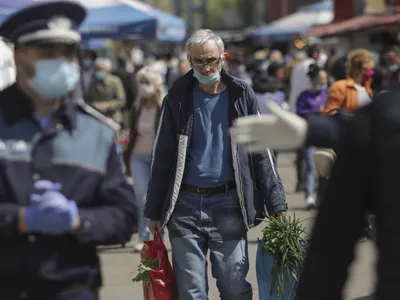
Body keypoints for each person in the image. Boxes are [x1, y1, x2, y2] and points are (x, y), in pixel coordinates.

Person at [0, 2, 137, 299]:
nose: (61, 61)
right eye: (48, 52)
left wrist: (78, 221)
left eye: (68, 52)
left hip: (71, 286)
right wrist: (20, 220)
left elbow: (124, 216)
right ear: (19, 56)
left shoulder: (96, 132)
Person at [144, 29, 287, 300]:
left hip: (229, 204)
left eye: (212, 60)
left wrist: (276, 202)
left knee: (234, 288)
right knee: (191, 291)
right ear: (188, 60)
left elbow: (260, 150)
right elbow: (161, 156)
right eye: (198, 61)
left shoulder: (241, 94)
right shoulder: (176, 97)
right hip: (185, 207)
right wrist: (154, 211)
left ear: (223, 58)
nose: (206, 67)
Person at [123, 66, 164, 252]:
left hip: (159, 159)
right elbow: (131, 132)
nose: (143, 87)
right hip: (138, 157)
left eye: (147, 83)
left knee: (158, 198)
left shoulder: (164, 106)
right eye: (141, 83)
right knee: (142, 196)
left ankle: (158, 234)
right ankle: (144, 236)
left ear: (156, 85)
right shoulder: (137, 107)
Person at [296, 64, 328, 208]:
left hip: (326, 137)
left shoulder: (328, 93)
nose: (323, 82)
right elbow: (300, 111)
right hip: (310, 135)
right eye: (321, 79)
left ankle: (321, 196)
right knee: (310, 167)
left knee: (325, 168)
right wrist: (317, 111)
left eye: (325, 79)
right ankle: (309, 196)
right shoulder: (304, 95)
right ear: (314, 80)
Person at [323, 49, 374, 116]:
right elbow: (329, 112)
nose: (370, 72)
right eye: (367, 69)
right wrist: (350, 119)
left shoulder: (368, 89)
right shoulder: (339, 87)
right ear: (358, 68)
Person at [86, 57, 126, 124]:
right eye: (97, 69)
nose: (98, 71)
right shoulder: (93, 82)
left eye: (101, 69)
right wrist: (94, 105)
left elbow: (121, 100)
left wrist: (108, 105)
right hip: (97, 118)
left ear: (107, 70)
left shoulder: (115, 81)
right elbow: (87, 100)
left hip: (112, 119)